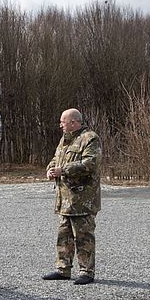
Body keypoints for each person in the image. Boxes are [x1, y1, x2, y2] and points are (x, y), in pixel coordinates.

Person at [42, 108, 102, 285]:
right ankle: (63, 269)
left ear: (74, 122)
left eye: (63, 121)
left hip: (83, 199)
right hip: (65, 199)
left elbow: (90, 163)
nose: (60, 124)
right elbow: (56, 159)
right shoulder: (65, 140)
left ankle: (86, 272)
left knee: (83, 237)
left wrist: (64, 170)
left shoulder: (90, 138)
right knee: (64, 236)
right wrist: (50, 170)